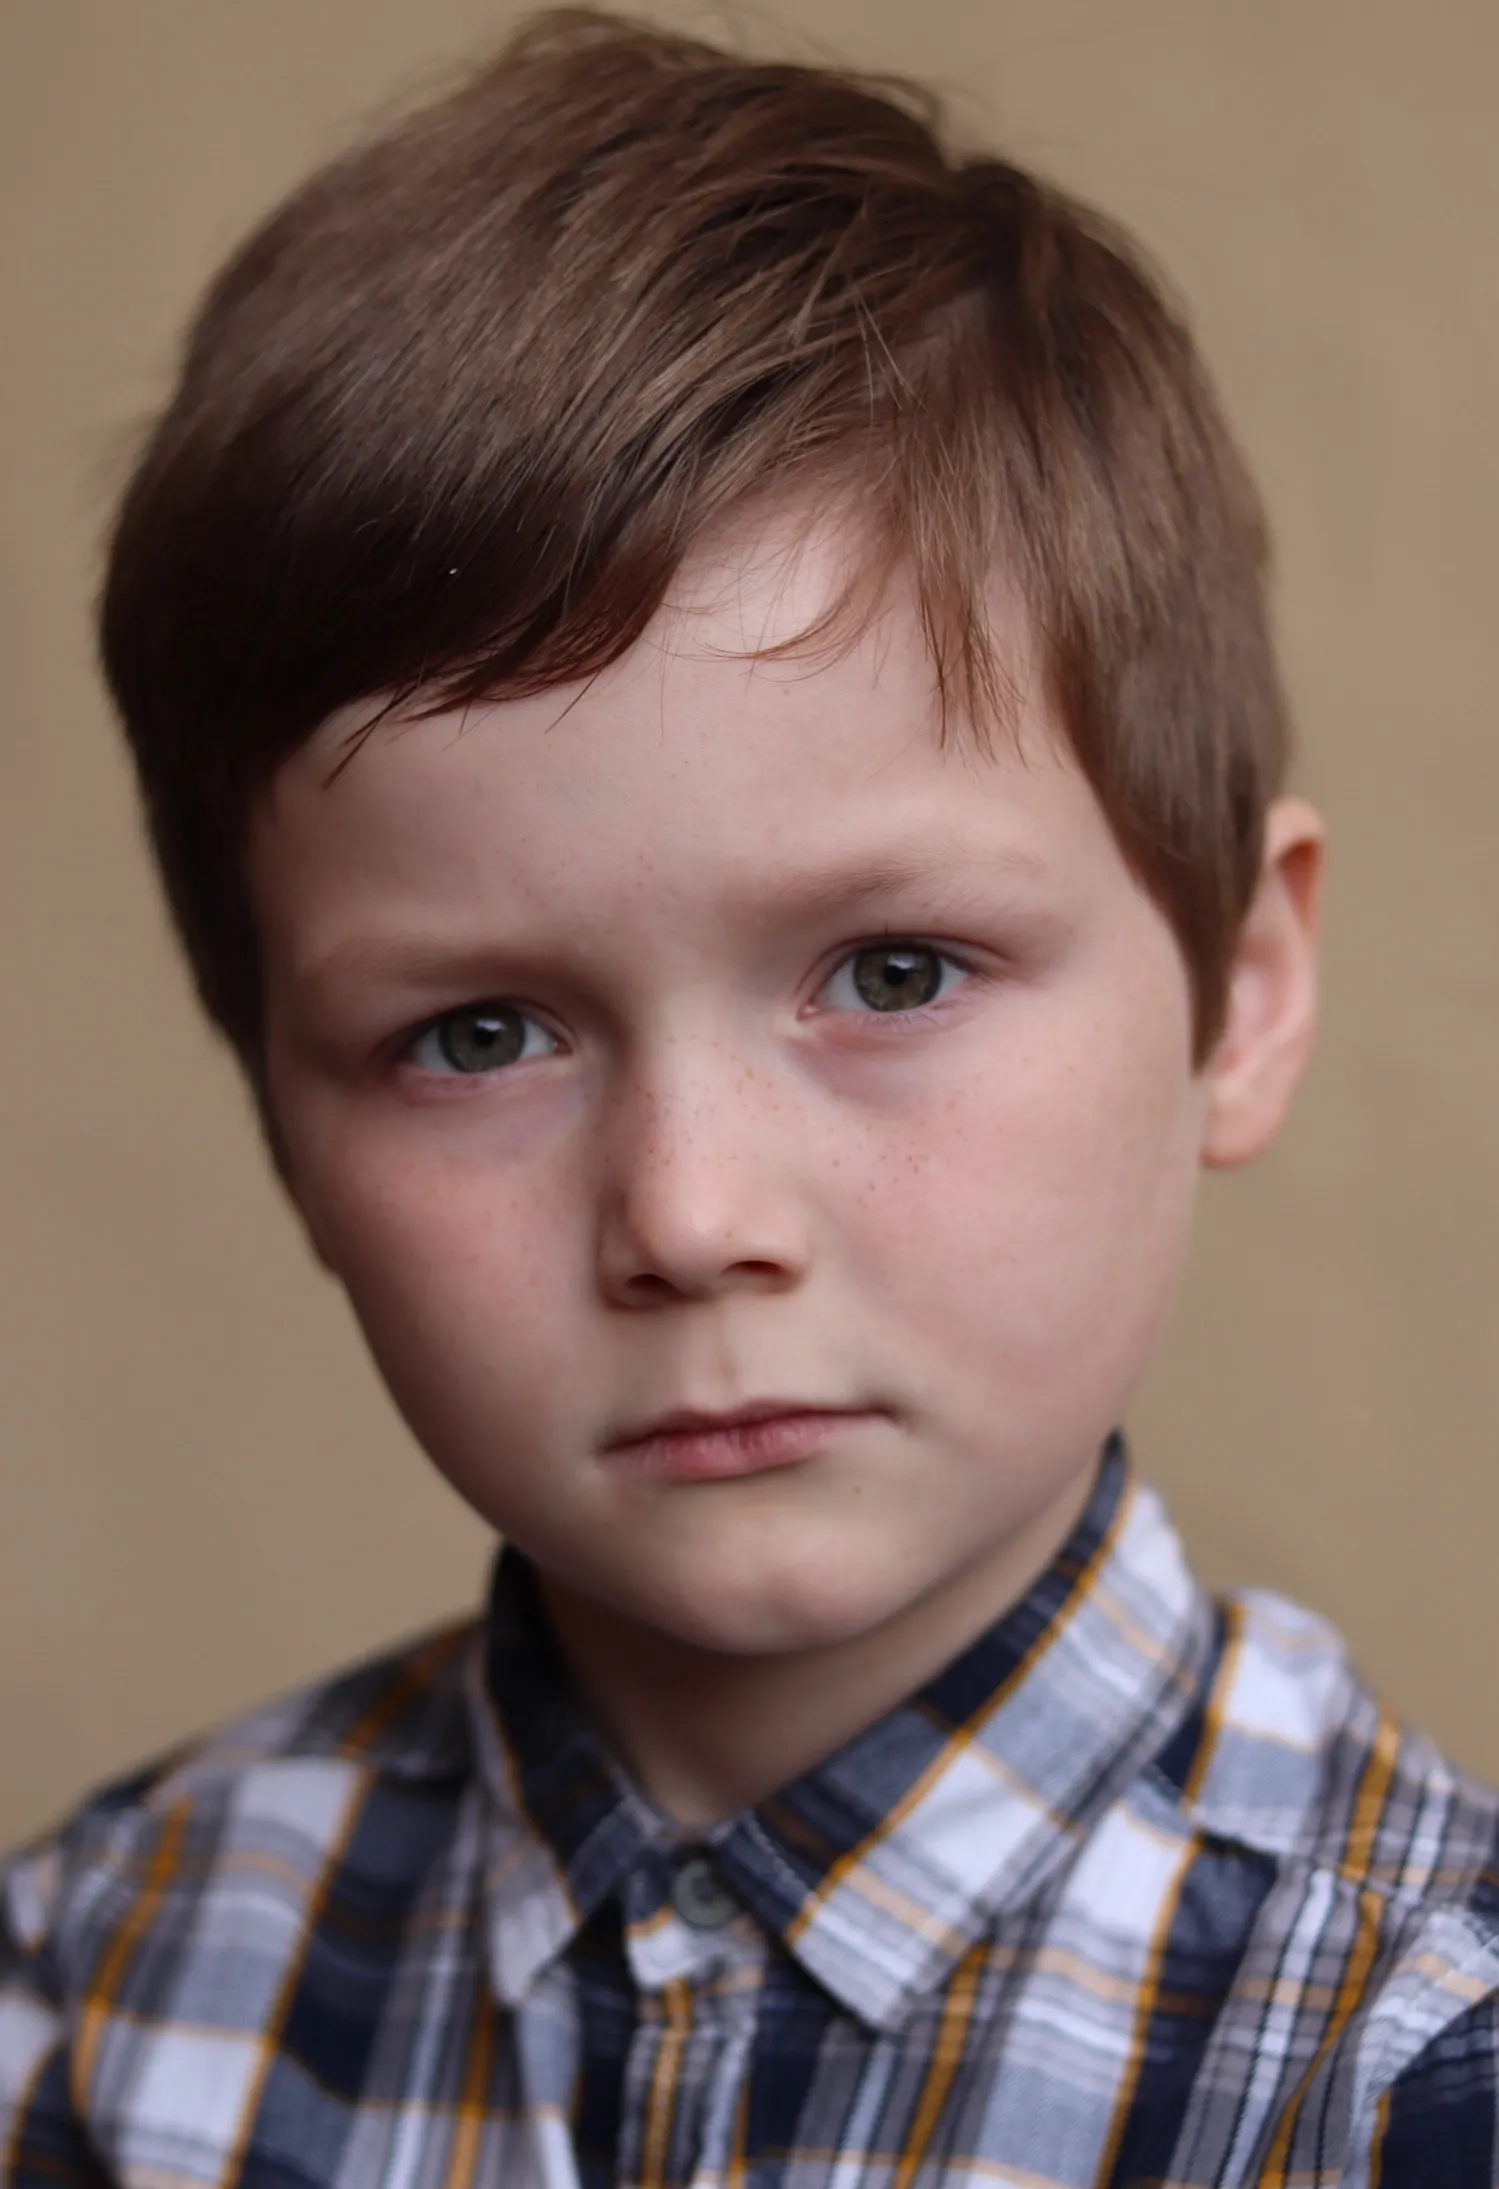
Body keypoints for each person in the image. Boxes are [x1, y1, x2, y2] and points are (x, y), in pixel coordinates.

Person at [3, 11, 1496, 2184]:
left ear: (1238, 993)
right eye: (477, 1034)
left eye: (892, 973)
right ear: (278, 1117)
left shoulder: (1413, 2075)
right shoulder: (92, 2004)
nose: (689, 1216)